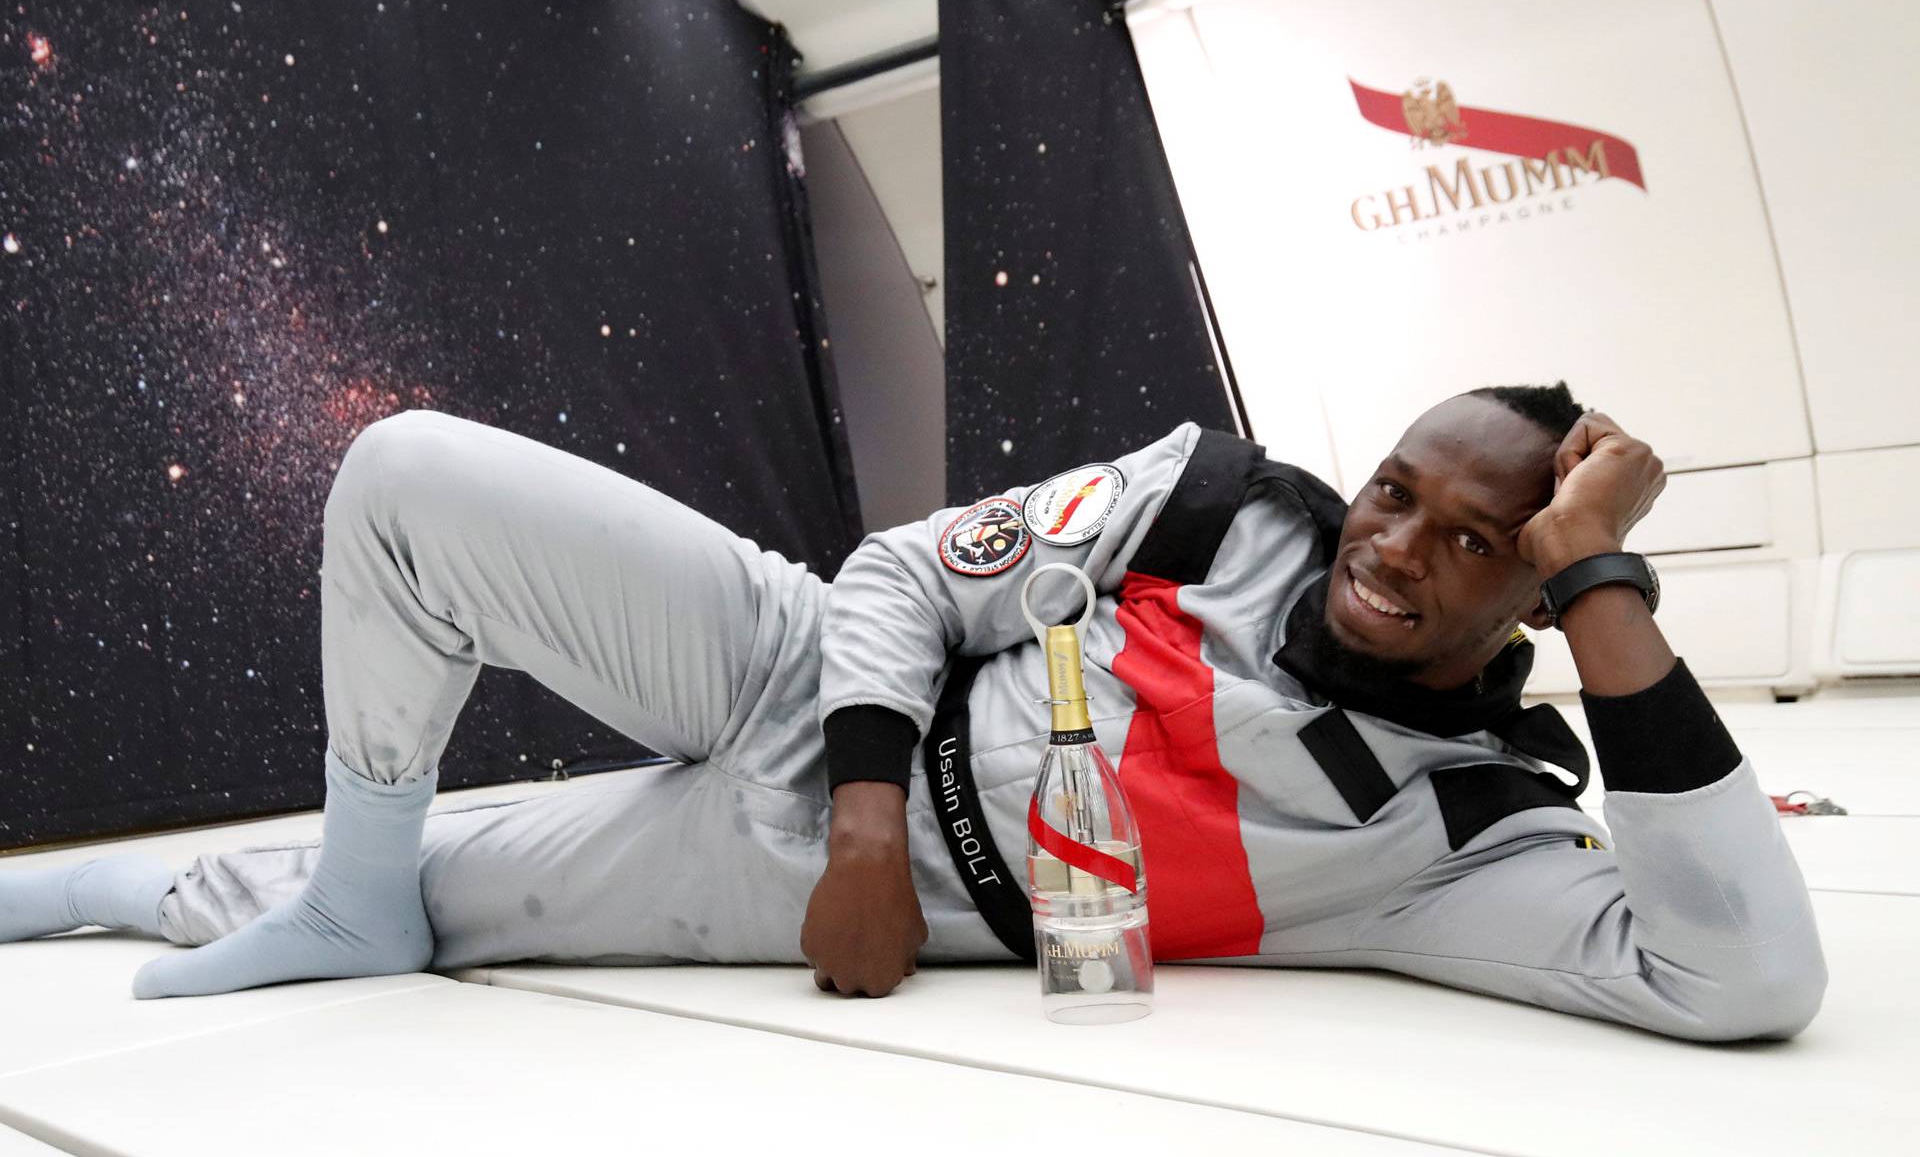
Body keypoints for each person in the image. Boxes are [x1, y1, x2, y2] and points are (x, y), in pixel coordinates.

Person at [0, 384, 1828, 1041]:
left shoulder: (1459, 838)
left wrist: (1608, 583)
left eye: (1482, 542)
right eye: (1394, 494)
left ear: (1540, 589)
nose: (1398, 551)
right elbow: (892, 574)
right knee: (405, 475)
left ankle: (164, 899)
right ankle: (355, 893)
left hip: (760, 881)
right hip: (810, 693)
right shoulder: (1211, 501)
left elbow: (1741, 979)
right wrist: (870, 812)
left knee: (415, 894)